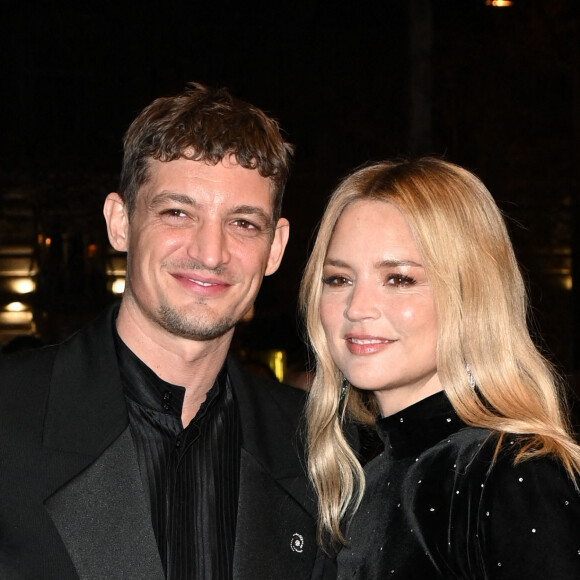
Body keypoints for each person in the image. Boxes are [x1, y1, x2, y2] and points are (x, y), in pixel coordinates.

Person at [0, 83, 318, 580]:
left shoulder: (318, 447)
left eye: (243, 224)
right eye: (178, 213)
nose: (210, 252)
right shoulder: (10, 415)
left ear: (275, 248)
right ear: (120, 222)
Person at [300, 158, 580, 579]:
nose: (356, 308)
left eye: (399, 279)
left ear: (470, 294)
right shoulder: (363, 476)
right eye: (339, 279)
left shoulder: (514, 473)